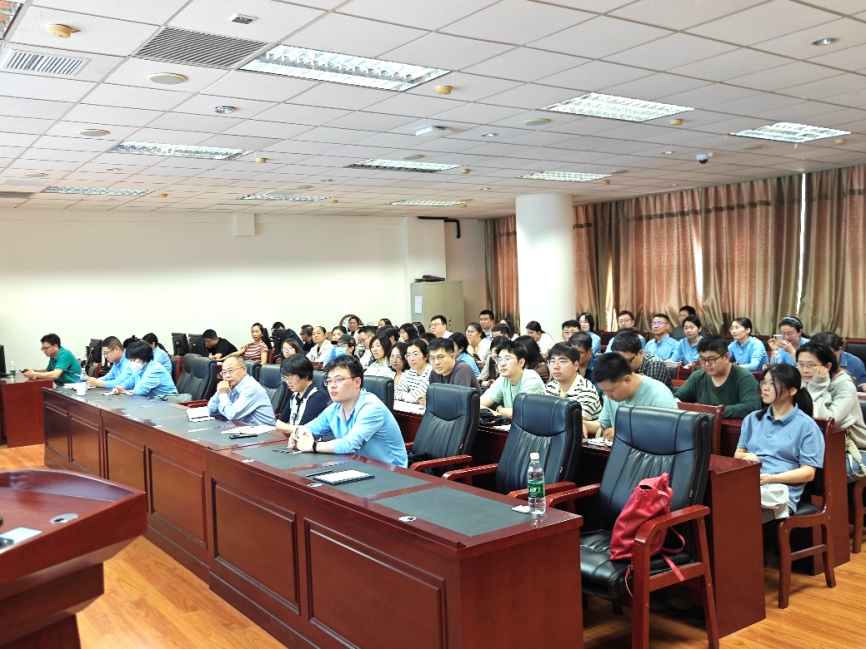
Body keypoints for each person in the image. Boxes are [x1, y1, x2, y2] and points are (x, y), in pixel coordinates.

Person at [735, 364, 824, 522]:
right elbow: (738, 454)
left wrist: (771, 478)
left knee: (738, 511)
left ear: (792, 390)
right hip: (750, 482)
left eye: (772, 384)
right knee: (722, 501)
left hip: (780, 492)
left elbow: (808, 473)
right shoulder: (752, 419)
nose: (765, 388)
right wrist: (748, 457)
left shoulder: (807, 426)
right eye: (764, 382)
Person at [287, 356, 408, 467]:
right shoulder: (334, 408)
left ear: (357, 382)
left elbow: (349, 445)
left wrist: (313, 445)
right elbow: (310, 429)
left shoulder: (372, 408)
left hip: (391, 472)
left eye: (338, 380)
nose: (332, 386)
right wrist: (299, 434)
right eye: (329, 381)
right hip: (356, 466)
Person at [797, 343, 866, 481]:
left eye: (811, 365)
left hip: (852, 449)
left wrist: (818, 386)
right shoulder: (802, 380)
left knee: (818, 475)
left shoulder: (844, 385)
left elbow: (828, 420)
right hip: (815, 447)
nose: (805, 370)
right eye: (800, 364)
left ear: (827, 366)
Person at [583, 353, 677, 441]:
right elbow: (603, 425)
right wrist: (581, 424)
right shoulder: (610, 394)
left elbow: (669, 434)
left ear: (627, 380)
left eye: (610, 390)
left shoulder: (659, 395)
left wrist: (624, 433)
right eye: (603, 391)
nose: (607, 395)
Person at [674, 335, 761, 419]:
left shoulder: (744, 377)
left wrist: (712, 411)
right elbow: (676, 398)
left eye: (712, 359)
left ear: (726, 357)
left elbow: (750, 407)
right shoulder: (698, 376)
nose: (707, 364)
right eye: (703, 359)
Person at [479, 339, 546, 418]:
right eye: (499, 360)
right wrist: (500, 416)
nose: (502, 364)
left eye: (507, 359)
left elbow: (520, 413)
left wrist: (499, 409)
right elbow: (478, 404)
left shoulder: (531, 380)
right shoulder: (503, 379)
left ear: (521, 362)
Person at [206, 355, 275, 426]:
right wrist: (220, 391)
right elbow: (211, 411)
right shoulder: (230, 386)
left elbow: (231, 414)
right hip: (241, 427)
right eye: (224, 372)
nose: (227, 376)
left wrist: (223, 394)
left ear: (244, 370)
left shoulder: (251, 387)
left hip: (262, 431)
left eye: (231, 371)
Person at [544, 343, 602, 421]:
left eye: (562, 361)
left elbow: (575, 423)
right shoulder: (551, 386)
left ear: (576, 365)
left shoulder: (586, 389)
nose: (555, 366)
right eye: (552, 361)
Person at [275, 355, 330, 432]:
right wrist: (294, 428)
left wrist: (289, 427)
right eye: (285, 378)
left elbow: (304, 430)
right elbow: (279, 424)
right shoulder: (295, 394)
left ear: (305, 375)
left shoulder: (318, 396)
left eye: (291, 378)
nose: (287, 382)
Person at [110, 341, 178, 398]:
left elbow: (140, 390)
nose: (132, 363)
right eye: (131, 360)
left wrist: (126, 391)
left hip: (168, 402)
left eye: (134, 360)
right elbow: (131, 381)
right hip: (154, 401)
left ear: (144, 357)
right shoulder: (141, 368)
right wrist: (121, 387)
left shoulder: (154, 369)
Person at [395, 339, 432, 404]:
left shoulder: (431, 373)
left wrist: (406, 396)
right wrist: (409, 396)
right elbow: (395, 392)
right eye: (408, 355)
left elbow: (415, 397)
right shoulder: (410, 372)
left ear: (426, 356)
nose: (411, 359)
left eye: (415, 354)